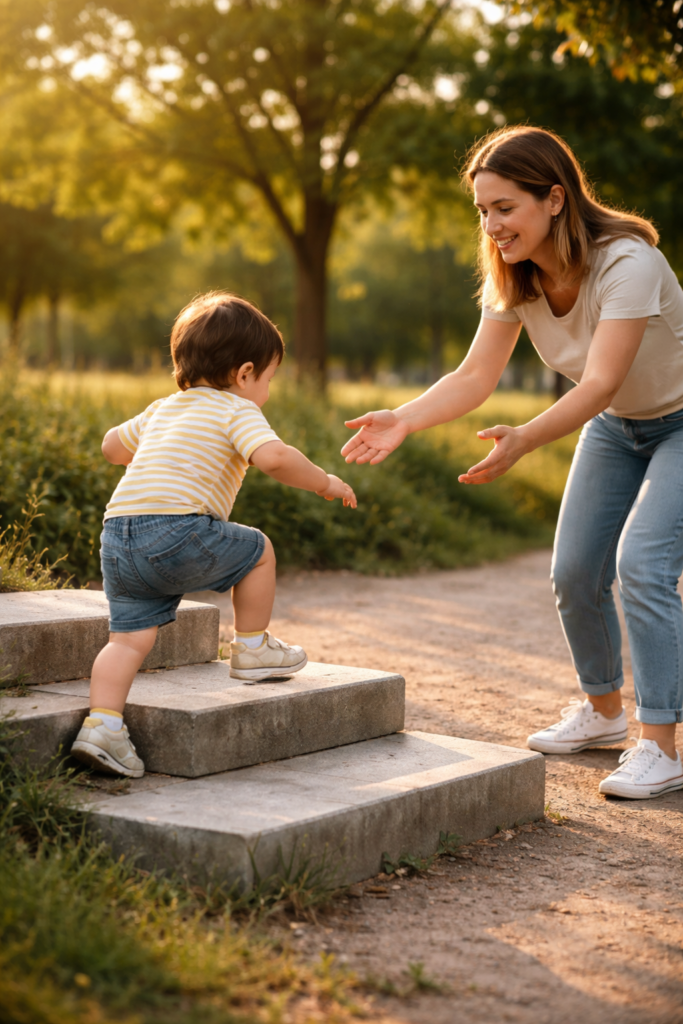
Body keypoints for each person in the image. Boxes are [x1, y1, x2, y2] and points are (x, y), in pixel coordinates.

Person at [342, 125, 683, 800]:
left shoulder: (627, 262)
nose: (491, 225)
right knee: (574, 570)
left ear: (553, 199)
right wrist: (404, 417)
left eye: (504, 208)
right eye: (482, 211)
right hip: (617, 429)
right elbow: (474, 376)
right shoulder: (515, 278)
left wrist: (525, 437)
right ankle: (603, 713)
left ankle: (661, 744)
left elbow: (598, 383)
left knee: (641, 564)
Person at [71, 292, 356, 779]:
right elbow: (275, 458)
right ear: (245, 374)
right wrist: (325, 482)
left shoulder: (164, 408)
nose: (266, 390)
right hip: (178, 530)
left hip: (118, 537)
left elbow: (110, 446)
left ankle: (103, 726)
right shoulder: (236, 408)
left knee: (127, 640)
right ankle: (251, 647)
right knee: (258, 550)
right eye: (268, 379)